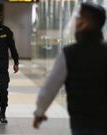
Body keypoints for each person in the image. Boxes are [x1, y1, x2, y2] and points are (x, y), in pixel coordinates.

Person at [33, 3, 107, 135]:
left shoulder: (69, 53)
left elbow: (50, 87)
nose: (75, 21)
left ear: (84, 23)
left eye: (78, 17)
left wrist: (39, 112)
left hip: (82, 124)